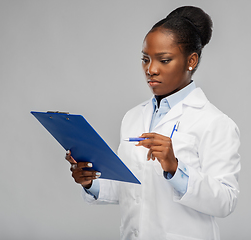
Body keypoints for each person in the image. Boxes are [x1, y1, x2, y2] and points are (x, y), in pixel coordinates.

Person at [66, 6, 240, 240]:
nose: (151, 69)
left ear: (191, 60)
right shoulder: (133, 117)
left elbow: (225, 201)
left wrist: (175, 168)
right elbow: (131, 189)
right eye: (145, 59)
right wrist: (90, 181)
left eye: (164, 60)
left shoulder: (215, 123)